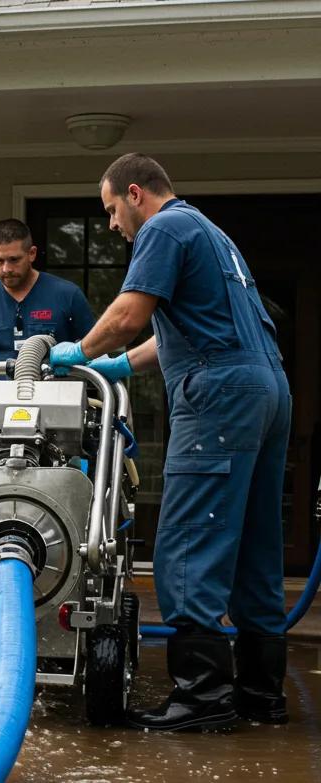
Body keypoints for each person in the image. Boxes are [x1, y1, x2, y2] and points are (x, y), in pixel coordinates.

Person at [50, 153, 291, 731]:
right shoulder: (210, 233)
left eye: (111, 210)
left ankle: (203, 700)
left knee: (189, 539)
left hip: (220, 396)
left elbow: (130, 313)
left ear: (135, 193)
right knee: (256, 542)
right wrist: (121, 368)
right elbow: (179, 330)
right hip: (267, 388)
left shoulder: (161, 228)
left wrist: (78, 353)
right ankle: (261, 696)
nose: (111, 225)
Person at [0, 218, 95, 390]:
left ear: (32, 253)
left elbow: (94, 351)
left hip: (57, 403)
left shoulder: (67, 295)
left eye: (14, 259)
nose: (6, 268)